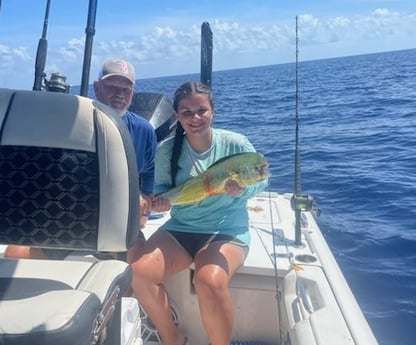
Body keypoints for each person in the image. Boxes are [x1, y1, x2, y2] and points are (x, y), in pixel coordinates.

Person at [127, 81, 268, 345]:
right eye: (187, 112)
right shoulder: (167, 150)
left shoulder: (236, 143)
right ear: (176, 116)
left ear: (212, 111)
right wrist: (158, 203)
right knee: (139, 273)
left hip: (225, 231)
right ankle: (173, 338)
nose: (195, 118)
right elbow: (159, 191)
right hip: (182, 229)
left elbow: (262, 179)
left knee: (209, 281)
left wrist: (243, 191)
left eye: (201, 110)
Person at [4, 58, 157, 260]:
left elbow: (148, 173)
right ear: (97, 87)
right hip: (68, 215)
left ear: (133, 93)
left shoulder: (144, 130)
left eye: (126, 89)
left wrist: (144, 205)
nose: (120, 95)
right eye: (112, 87)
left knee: (138, 263)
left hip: (115, 221)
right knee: (15, 254)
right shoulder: (72, 121)